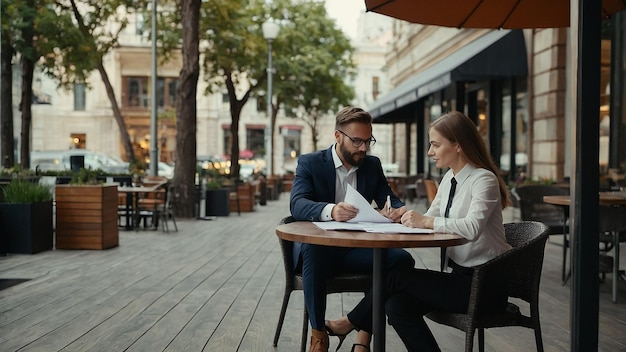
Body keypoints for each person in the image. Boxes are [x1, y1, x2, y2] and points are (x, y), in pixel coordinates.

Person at [326, 111, 512, 352]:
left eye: (435, 145)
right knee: (396, 306)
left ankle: (348, 322)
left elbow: (471, 227)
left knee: (397, 275)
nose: (430, 152)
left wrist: (425, 222)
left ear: (458, 145)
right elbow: (430, 217)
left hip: (485, 286)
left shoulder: (483, 180)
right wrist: (401, 219)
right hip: (460, 278)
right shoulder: (449, 179)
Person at [290, 106, 415, 352]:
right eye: (357, 141)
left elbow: (389, 198)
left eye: (368, 141)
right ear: (338, 136)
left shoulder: (371, 165)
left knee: (401, 260)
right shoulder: (311, 163)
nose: (363, 148)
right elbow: (297, 203)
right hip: (319, 251)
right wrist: (331, 210)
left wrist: (398, 210)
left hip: (356, 249)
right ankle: (319, 336)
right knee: (314, 250)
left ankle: (359, 332)